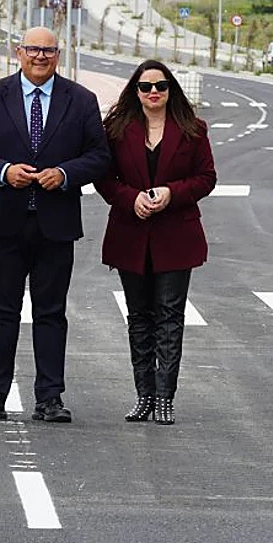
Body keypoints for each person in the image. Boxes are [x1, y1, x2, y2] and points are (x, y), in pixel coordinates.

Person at [0, 26, 111, 424]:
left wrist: (64, 173)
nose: (40, 57)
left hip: (55, 224)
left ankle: (50, 398)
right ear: (18, 52)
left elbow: (100, 156)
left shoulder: (80, 100)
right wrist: (3, 171)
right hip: (4, 222)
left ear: (58, 55)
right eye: (32, 50)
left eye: (48, 51)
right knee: (1, 311)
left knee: (51, 313)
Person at [94, 60, 216, 425]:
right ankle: (143, 395)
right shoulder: (116, 129)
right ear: (135, 91)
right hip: (130, 233)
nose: (153, 93)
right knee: (139, 318)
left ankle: (165, 397)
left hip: (177, 235)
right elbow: (104, 177)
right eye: (145, 87)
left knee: (169, 317)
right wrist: (130, 198)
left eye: (160, 86)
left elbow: (206, 177)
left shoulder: (193, 129)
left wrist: (170, 193)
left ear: (170, 90)